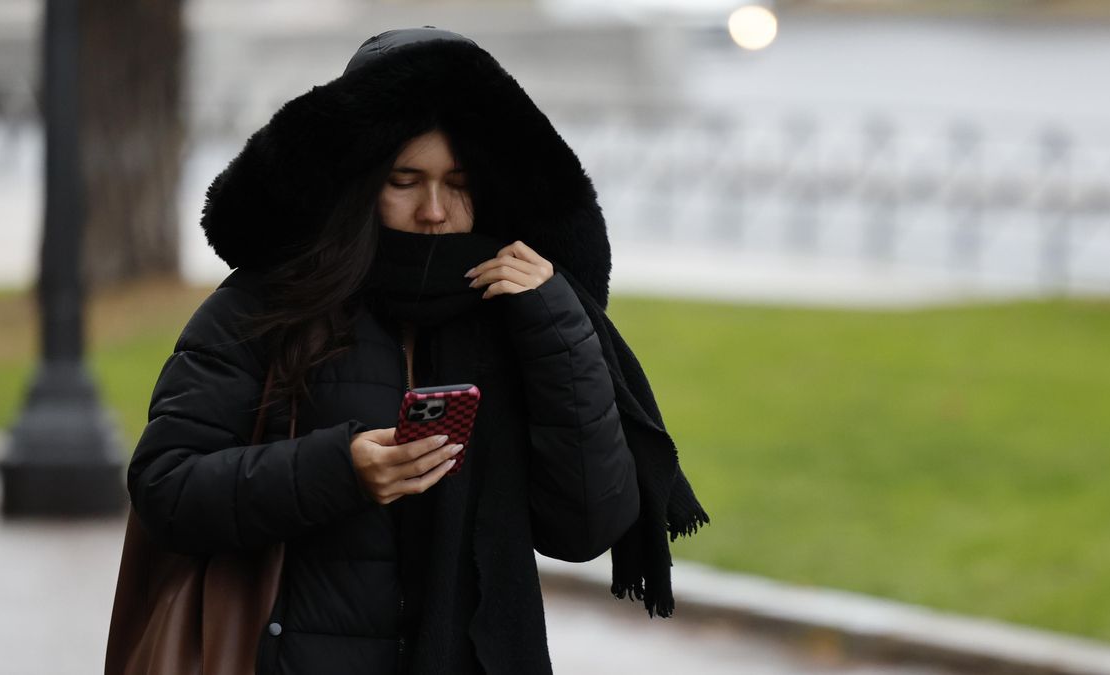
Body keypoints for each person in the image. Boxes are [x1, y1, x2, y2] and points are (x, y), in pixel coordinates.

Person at [127, 27, 706, 675]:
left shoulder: (517, 314)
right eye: (406, 180)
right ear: (361, 179)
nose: (434, 210)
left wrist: (554, 323)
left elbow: (585, 527)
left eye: (457, 182)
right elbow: (166, 487)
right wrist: (341, 469)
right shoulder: (268, 305)